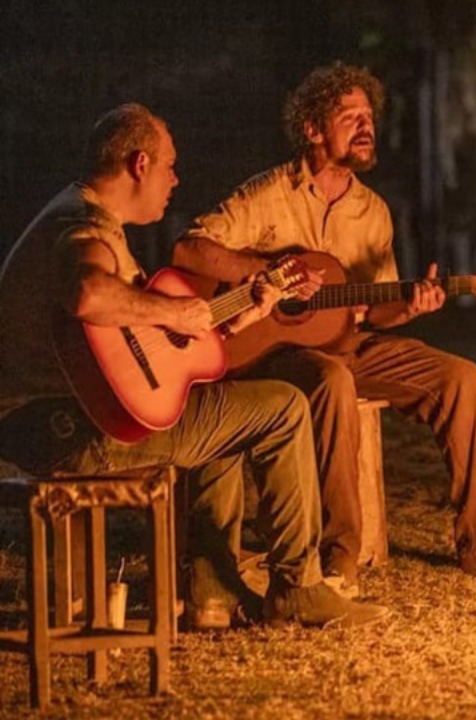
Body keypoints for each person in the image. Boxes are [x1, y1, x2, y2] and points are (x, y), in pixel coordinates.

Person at [0, 103, 387, 628]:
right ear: (139, 164)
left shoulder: (81, 214)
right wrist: (176, 310)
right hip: (62, 424)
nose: (175, 179)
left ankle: (211, 597)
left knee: (219, 404)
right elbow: (88, 293)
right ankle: (298, 586)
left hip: (58, 418)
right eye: (169, 165)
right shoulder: (83, 225)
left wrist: (246, 310)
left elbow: (151, 344)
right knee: (286, 408)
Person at [173, 63, 476, 594]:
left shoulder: (372, 212)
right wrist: (260, 274)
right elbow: (190, 247)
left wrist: (411, 306)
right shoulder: (269, 193)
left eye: (368, 117)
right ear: (312, 129)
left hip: (350, 342)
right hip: (275, 351)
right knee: (331, 380)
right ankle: (339, 556)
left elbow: (376, 308)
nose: (365, 126)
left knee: (461, 377)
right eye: (349, 116)